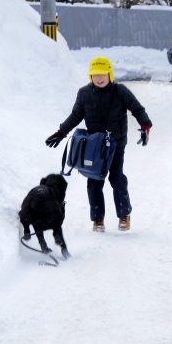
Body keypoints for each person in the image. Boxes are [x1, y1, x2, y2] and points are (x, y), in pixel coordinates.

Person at [45, 55, 152, 233]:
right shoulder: (84, 93)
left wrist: (145, 126)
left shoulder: (120, 91)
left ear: (110, 74)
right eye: (95, 75)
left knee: (116, 177)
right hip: (95, 146)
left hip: (116, 143)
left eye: (103, 74)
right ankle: (98, 219)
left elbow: (137, 109)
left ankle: (124, 214)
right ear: (90, 76)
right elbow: (75, 116)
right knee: (94, 182)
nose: (99, 78)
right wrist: (61, 132)